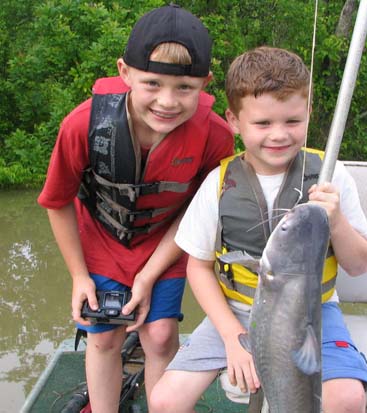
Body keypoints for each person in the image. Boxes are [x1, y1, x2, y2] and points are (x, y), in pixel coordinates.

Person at [149, 46, 367, 413]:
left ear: (308, 114)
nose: (279, 135)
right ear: (234, 121)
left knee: (347, 399)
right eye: (263, 123)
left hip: (311, 311)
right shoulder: (218, 184)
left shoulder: (332, 176)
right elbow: (198, 266)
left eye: (292, 121)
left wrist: (336, 221)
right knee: (164, 400)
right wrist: (232, 338)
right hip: (237, 311)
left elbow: (360, 264)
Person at [37, 4, 234, 412]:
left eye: (184, 88)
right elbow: (57, 202)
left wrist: (146, 276)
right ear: (125, 72)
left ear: (206, 83)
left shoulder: (215, 136)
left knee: (160, 334)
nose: (167, 101)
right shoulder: (82, 124)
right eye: (152, 83)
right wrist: (77, 276)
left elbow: (199, 214)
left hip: (167, 238)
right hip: (102, 239)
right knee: (105, 334)